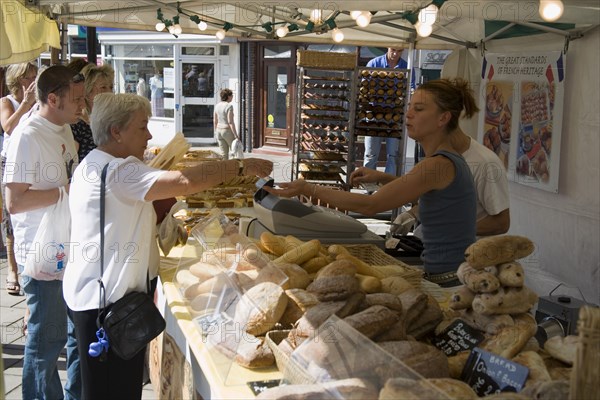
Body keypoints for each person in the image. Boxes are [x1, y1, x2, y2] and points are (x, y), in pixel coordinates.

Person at [62, 92, 272, 400]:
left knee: (110, 388)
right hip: (106, 305)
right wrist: (241, 166)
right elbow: (184, 182)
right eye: (141, 126)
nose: (148, 134)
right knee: (112, 391)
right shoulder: (119, 171)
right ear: (116, 132)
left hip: (95, 296)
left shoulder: (95, 163)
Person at [267, 78, 478, 287]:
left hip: (451, 280)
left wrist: (309, 188)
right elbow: (418, 191)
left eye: (419, 109)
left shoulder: (438, 164)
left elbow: (370, 205)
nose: (409, 114)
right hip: (450, 273)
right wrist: (382, 177)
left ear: (443, 118)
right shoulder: (444, 160)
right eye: (410, 107)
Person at [4, 64, 84, 400]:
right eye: (77, 100)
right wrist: (65, 191)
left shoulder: (63, 128)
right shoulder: (27, 135)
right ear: (52, 98)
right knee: (46, 344)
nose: (84, 106)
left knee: (76, 335)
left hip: (69, 246)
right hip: (41, 256)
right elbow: (14, 201)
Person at [388, 127, 510, 236]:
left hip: (466, 254)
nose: (426, 150)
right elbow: (439, 200)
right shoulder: (441, 158)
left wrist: (452, 231)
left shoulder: (486, 164)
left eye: (426, 141)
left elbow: (501, 223)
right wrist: (412, 214)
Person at [0, 62, 37, 296]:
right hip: (10, 161)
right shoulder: (7, 102)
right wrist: (25, 103)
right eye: (28, 77)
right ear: (17, 80)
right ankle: (12, 269)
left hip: (33, 160)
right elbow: (8, 127)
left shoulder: (39, 100)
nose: (32, 81)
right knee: (11, 216)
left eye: (35, 76)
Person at [363, 48, 408, 176]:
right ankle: (368, 185)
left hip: (395, 115)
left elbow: (411, 88)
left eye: (399, 51)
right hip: (373, 114)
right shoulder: (373, 64)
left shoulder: (406, 66)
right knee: (370, 154)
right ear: (388, 48)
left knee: (393, 155)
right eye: (393, 50)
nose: (395, 54)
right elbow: (364, 86)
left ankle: (388, 187)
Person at [70, 64, 114, 161]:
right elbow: (70, 163)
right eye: (103, 87)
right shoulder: (77, 125)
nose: (110, 92)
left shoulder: (111, 122)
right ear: (87, 91)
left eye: (111, 87)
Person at [214, 88, 240, 160]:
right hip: (227, 131)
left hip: (219, 131)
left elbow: (215, 120)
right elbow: (230, 122)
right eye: (231, 95)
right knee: (234, 152)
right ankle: (234, 169)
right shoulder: (229, 106)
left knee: (224, 154)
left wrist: (216, 131)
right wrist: (236, 135)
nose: (232, 97)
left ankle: (224, 170)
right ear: (228, 96)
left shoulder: (217, 105)